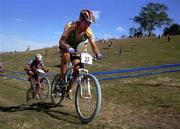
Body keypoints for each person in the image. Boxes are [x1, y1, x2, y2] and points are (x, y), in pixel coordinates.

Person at [59, 9, 103, 99]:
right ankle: (62, 80)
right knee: (66, 57)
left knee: (77, 68)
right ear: (81, 20)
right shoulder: (71, 26)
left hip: (74, 49)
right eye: (86, 22)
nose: (88, 25)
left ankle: (69, 89)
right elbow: (61, 41)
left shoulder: (88, 31)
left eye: (90, 23)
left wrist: (98, 53)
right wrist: (68, 47)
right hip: (65, 45)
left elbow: (93, 45)